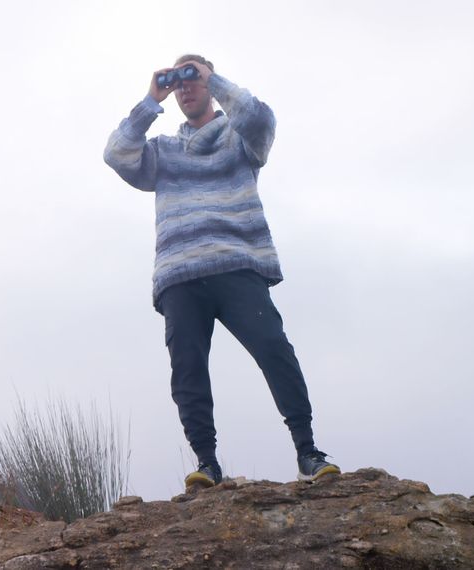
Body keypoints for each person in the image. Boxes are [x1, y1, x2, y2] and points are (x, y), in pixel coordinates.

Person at [102, 54, 340, 488]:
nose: (185, 87)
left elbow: (261, 119)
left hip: (236, 263)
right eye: (178, 82)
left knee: (274, 349)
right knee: (188, 369)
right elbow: (116, 154)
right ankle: (207, 463)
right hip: (179, 276)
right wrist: (150, 99)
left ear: (209, 82)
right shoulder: (163, 152)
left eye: (192, 77)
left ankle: (308, 451)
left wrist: (216, 80)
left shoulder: (238, 138)